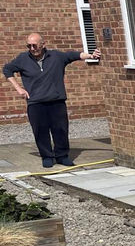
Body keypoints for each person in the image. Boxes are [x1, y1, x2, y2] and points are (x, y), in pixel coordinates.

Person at [3, 32, 101, 168]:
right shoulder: (22, 59)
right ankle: (47, 156)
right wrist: (19, 89)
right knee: (40, 131)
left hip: (56, 101)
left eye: (35, 45)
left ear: (43, 44)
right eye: (29, 46)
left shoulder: (56, 56)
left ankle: (62, 156)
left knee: (60, 130)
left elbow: (74, 55)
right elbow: (7, 69)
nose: (32, 49)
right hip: (35, 102)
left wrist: (91, 55)